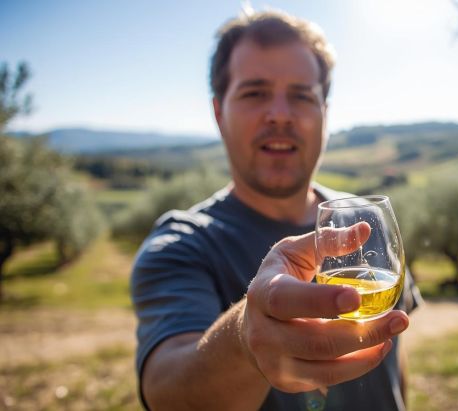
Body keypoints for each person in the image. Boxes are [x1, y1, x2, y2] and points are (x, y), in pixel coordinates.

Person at [130, 10, 422, 411]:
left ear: (325, 114)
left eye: (302, 96)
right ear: (219, 113)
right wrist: (244, 338)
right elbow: (167, 391)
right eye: (255, 93)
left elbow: (393, 354)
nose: (281, 114)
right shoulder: (181, 244)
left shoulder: (368, 223)